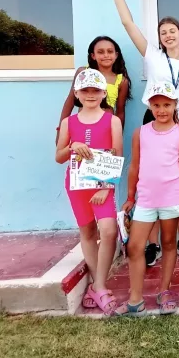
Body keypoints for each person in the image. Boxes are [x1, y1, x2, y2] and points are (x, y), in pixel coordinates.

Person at [109, 0, 179, 265]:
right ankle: (152, 244)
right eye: (163, 32)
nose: (167, 35)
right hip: (154, 122)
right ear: (160, 38)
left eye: (172, 30)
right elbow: (128, 24)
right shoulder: (152, 55)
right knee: (150, 177)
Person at [115, 83, 179, 317]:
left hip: (172, 198)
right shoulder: (141, 132)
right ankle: (135, 299)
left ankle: (164, 291)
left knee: (169, 243)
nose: (161, 110)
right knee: (135, 247)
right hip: (146, 200)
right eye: (157, 105)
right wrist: (131, 196)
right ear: (150, 105)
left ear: (175, 105)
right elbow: (135, 166)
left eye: (167, 104)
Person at [55, 69, 122, 315]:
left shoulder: (112, 120)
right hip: (77, 186)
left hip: (103, 185)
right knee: (88, 231)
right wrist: (73, 146)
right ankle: (97, 285)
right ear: (77, 94)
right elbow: (59, 156)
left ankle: (99, 284)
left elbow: (117, 154)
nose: (90, 94)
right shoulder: (69, 122)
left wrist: (106, 187)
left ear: (104, 93)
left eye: (95, 90)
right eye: (85, 90)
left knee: (109, 231)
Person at [56, 36, 131, 143]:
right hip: (82, 126)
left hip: (105, 130)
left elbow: (120, 112)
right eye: (100, 52)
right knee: (80, 152)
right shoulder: (83, 73)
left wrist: (117, 137)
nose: (106, 55)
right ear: (93, 56)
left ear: (116, 55)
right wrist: (60, 130)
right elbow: (70, 101)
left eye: (110, 51)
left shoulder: (122, 81)